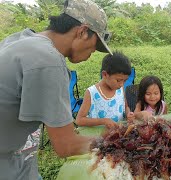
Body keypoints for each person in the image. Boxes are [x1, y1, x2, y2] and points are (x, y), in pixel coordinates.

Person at [0, 0, 112, 179]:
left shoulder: (20, 40)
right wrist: (119, 141)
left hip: (19, 161)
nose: (91, 54)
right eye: (94, 46)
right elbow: (66, 145)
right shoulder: (48, 61)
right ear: (82, 32)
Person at [75, 51, 133, 127]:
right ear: (105, 74)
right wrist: (103, 121)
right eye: (118, 80)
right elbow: (79, 120)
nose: (122, 84)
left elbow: (125, 106)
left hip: (117, 134)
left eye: (125, 80)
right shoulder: (92, 93)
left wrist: (128, 113)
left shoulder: (120, 89)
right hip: (98, 136)